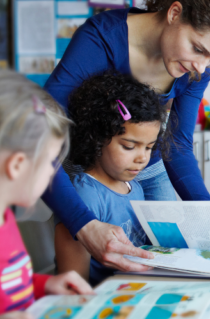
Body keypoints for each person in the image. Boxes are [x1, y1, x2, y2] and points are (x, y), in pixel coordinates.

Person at [41, 0, 210, 273]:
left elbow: (177, 146)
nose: (201, 67)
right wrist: (84, 224)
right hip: (87, 164)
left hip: (149, 167)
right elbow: (40, 136)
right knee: (92, 261)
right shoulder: (100, 38)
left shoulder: (198, 69)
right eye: (198, 49)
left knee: (165, 262)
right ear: (174, 13)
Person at [0, 72, 92, 317]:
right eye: (50, 161)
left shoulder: (3, 217)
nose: (53, 172)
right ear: (17, 165)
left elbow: (7, 285)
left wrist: (43, 285)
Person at [54, 73, 170, 285]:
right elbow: (73, 283)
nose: (142, 158)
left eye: (149, 147)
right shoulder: (85, 195)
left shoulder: (134, 186)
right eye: (129, 146)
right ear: (97, 139)